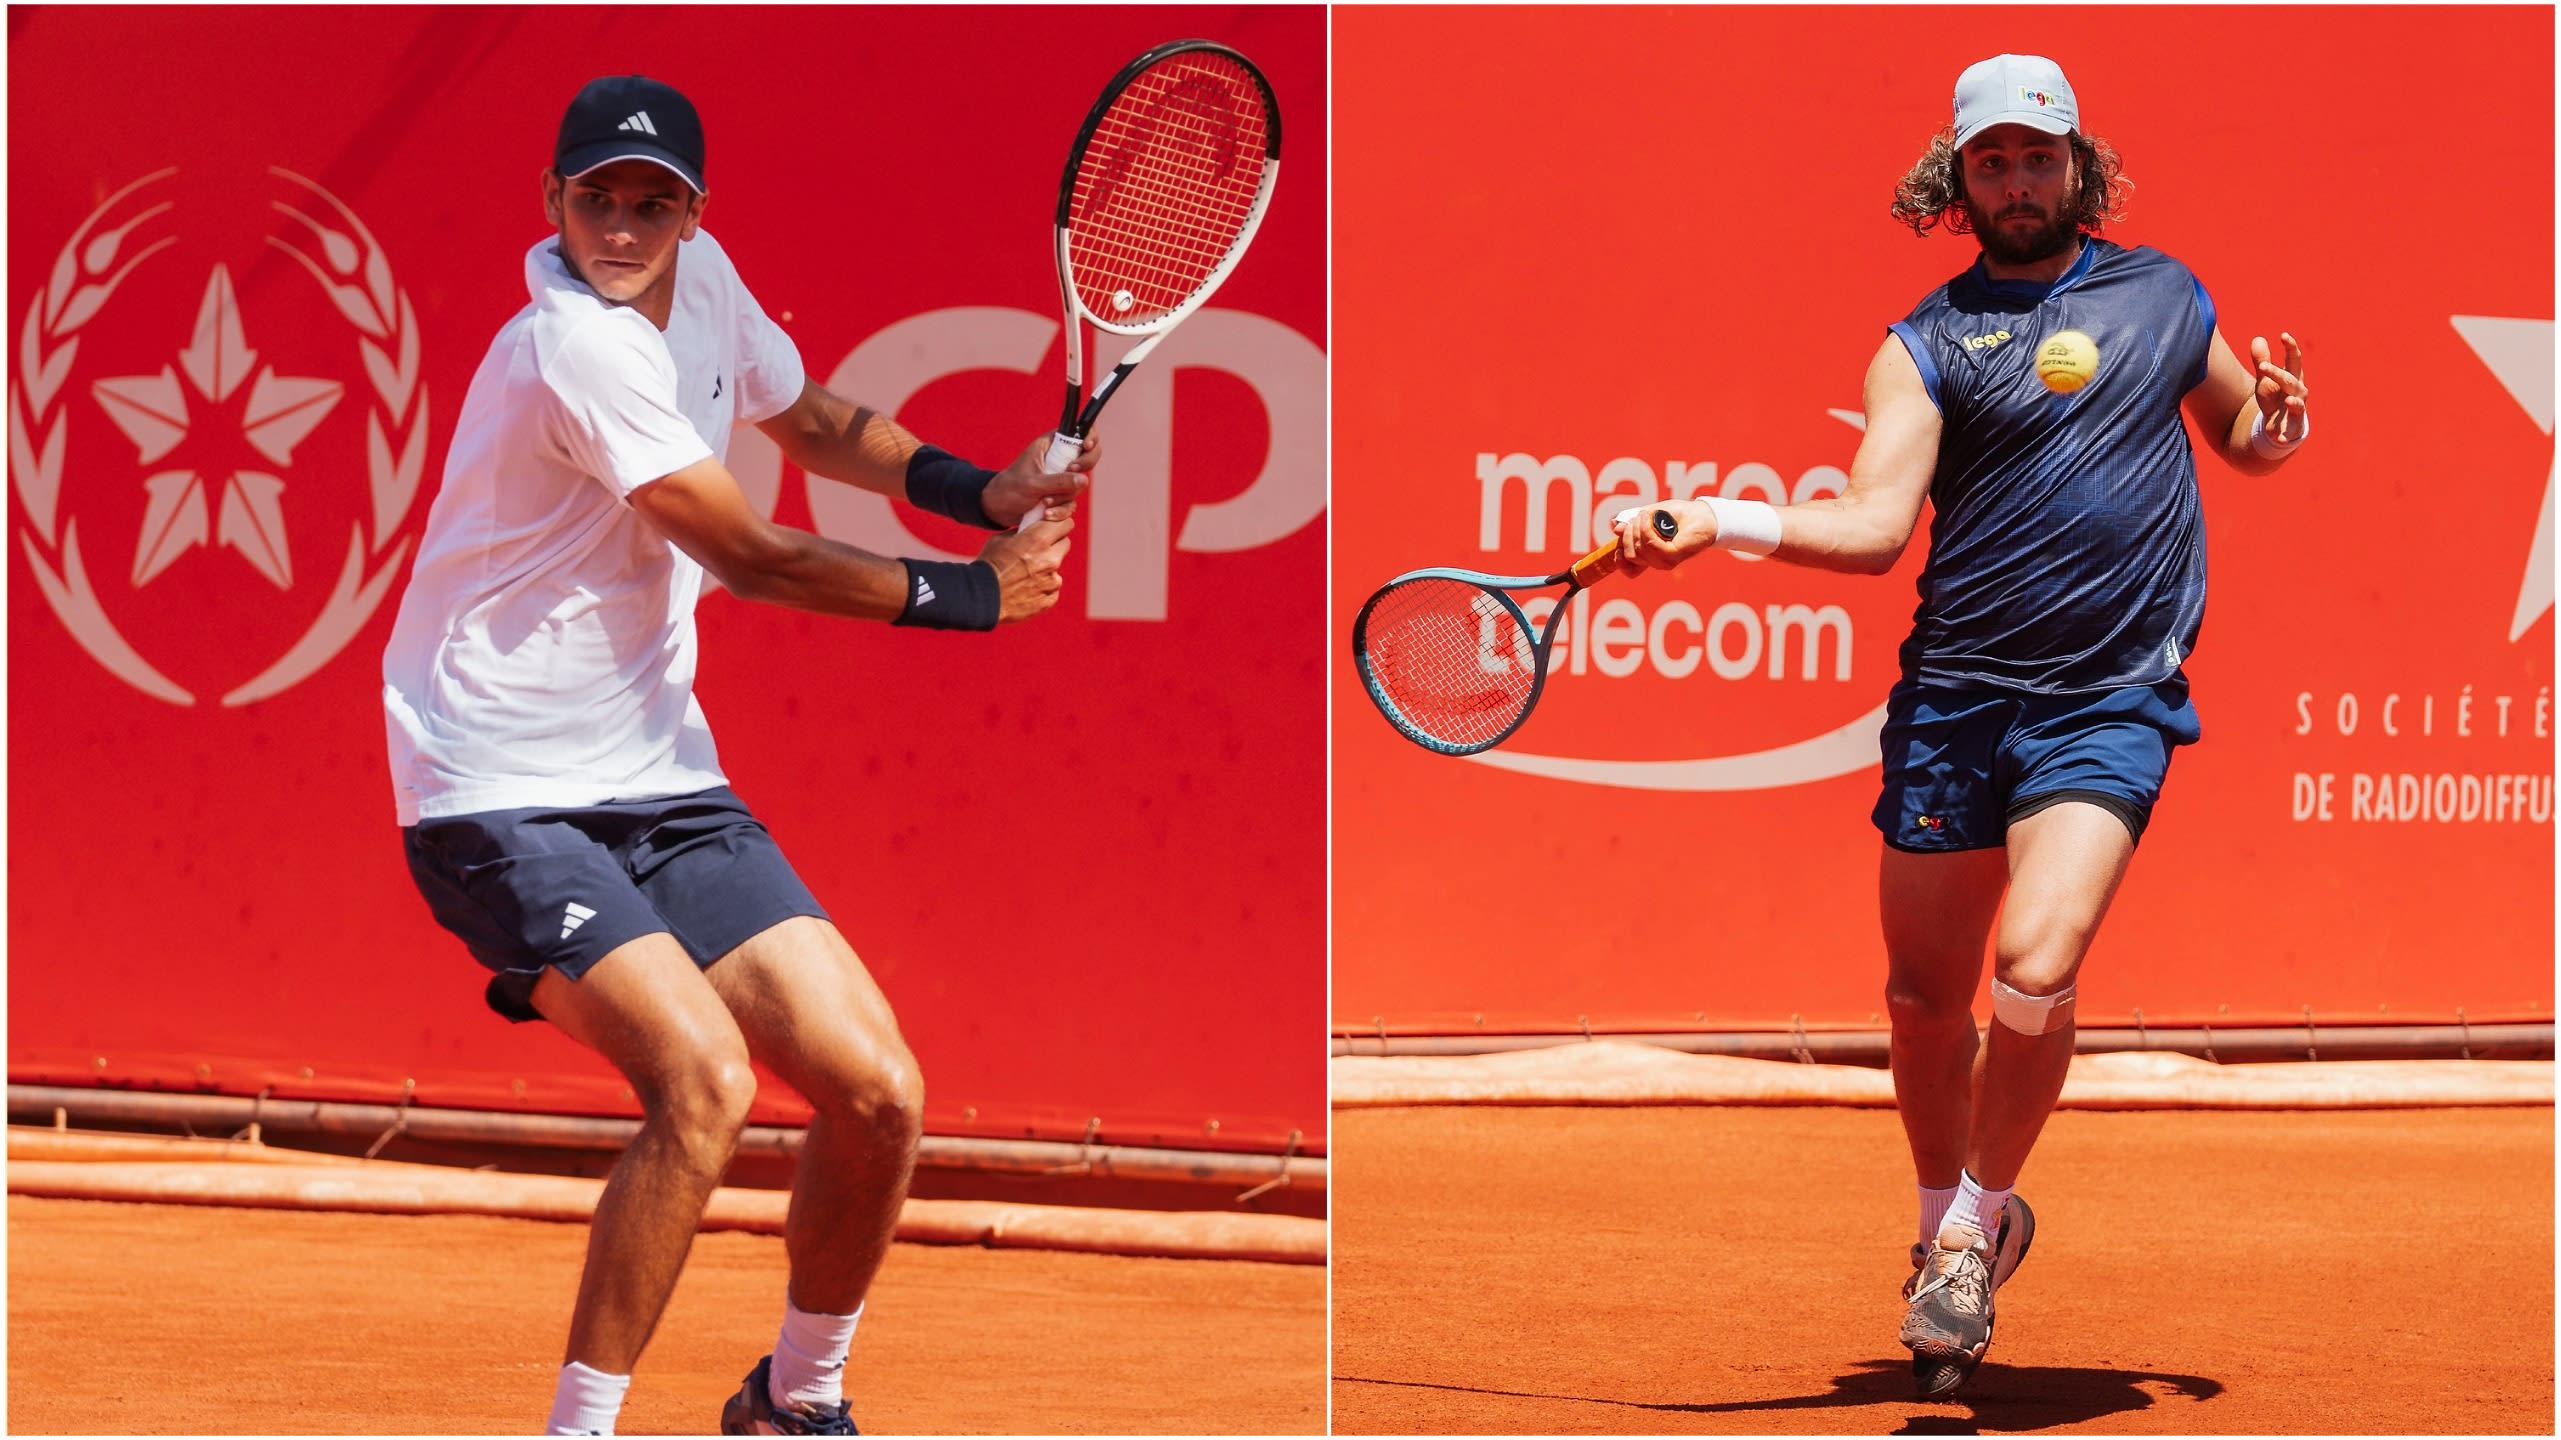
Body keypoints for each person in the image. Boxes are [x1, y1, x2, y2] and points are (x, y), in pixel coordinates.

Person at [381, 74, 1095, 1436]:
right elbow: (746, 551)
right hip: (495, 788)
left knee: (878, 1092)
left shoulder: (701, 280)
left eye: (655, 201)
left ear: (694, 213)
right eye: (598, 197)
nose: (626, 224)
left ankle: (794, 1401)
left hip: (657, 775)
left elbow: (811, 419)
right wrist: (971, 590)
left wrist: (974, 492)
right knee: (702, 1083)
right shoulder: (570, 345)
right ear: (553, 202)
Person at [1611, 54, 2308, 1397]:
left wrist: (2279, 422)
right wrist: (1717, 519)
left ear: (2075, 165)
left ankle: (1970, 1237)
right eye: (1988, 161)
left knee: (2034, 966)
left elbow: (2244, 437)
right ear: (1958, 181)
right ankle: (1944, 1216)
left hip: (2107, 700)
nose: (2014, 179)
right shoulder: (1919, 343)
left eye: (2034, 156)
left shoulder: (2163, 295)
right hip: (1954, 704)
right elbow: (1874, 528)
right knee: (1924, 1003)